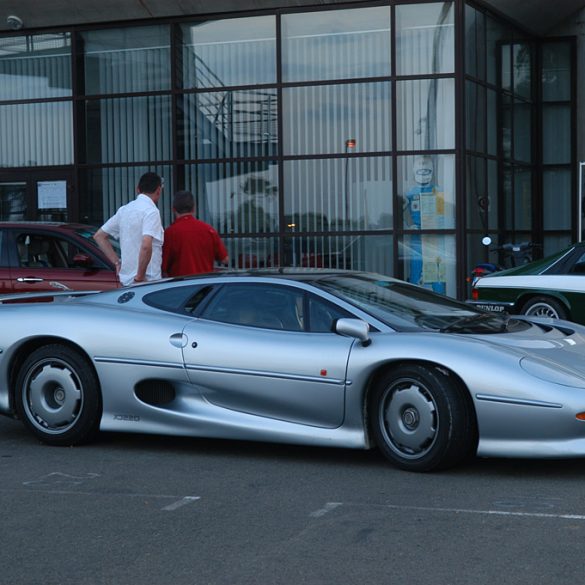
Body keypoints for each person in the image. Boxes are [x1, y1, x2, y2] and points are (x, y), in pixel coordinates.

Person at [93, 171, 164, 286]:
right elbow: (146, 245)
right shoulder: (151, 212)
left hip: (125, 281)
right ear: (159, 190)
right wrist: (139, 277)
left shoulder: (124, 210)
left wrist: (117, 262)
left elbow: (99, 236)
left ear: (138, 189)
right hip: (147, 282)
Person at [162, 190, 229, 277]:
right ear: (194, 208)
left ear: (173, 209)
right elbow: (225, 259)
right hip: (205, 286)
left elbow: (163, 266)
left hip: (180, 286)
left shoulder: (170, 233)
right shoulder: (209, 230)